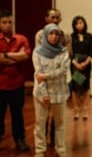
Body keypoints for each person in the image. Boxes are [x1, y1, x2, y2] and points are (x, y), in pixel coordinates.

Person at [35, 8, 71, 146]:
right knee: (42, 117)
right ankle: (41, 144)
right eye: (52, 17)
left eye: (57, 18)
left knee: (58, 118)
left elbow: (68, 53)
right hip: (43, 82)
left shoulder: (65, 34)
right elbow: (40, 56)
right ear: (46, 19)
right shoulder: (40, 35)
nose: (55, 20)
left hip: (60, 82)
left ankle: (56, 143)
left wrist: (60, 63)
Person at [0, 10, 31, 151]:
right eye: (4, 22)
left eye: (10, 22)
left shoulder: (21, 39)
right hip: (0, 85)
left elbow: (25, 56)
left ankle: (20, 139)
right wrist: (15, 56)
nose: (7, 25)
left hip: (17, 84)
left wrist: (5, 56)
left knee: (17, 114)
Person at [70, 15, 92, 120]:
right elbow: (70, 53)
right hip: (75, 65)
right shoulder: (71, 37)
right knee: (76, 87)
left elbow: (91, 52)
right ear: (74, 25)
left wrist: (85, 63)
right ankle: (76, 110)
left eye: (81, 22)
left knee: (85, 87)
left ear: (84, 24)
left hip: (86, 65)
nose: (79, 25)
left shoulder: (89, 36)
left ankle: (85, 110)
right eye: (77, 23)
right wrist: (76, 64)